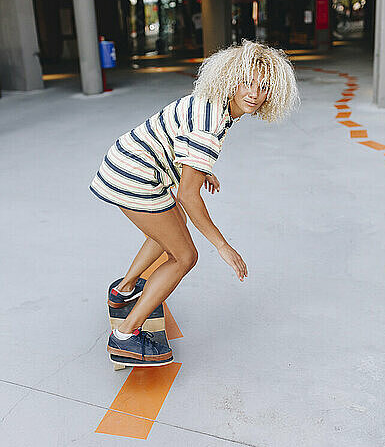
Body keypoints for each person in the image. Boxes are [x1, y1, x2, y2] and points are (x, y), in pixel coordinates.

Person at [88, 39, 300, 366]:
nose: (254, 94)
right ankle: (125, 337)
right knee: (185, 255)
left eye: (263, 87)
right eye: (247, 82)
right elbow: (188, 195)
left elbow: (181, 141)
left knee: (173, 227)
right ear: (232, 77)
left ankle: (123, 291)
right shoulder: (211, 122)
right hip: (133, 176)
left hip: (131, 162)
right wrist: (222, 245)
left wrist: (201, 170)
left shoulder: (216, 104)